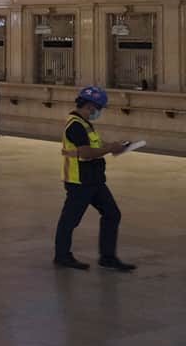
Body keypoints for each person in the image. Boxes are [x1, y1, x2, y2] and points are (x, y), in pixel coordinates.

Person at [54, 86, 137, 272]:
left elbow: (96, 145)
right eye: (99, 108)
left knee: (112, 214)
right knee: (70, 220)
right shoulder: (75, 125)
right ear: (91, 106)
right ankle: (62, 256)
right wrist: (110, 149)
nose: (99, 112)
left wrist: (115, 146)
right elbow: (85, 153)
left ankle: (107, 258)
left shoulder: (85, 124)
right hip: (79, 181)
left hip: (95, 180)